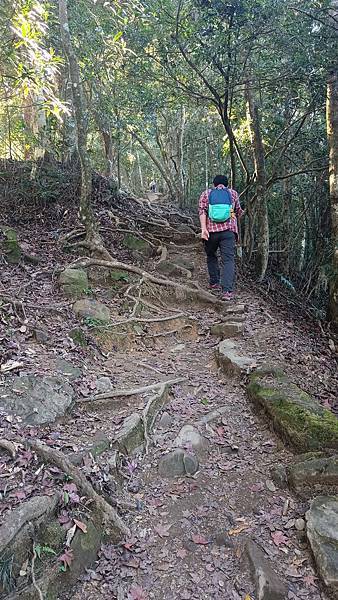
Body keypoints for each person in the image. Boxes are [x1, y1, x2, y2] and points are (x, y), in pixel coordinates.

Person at [198, 174, 244, 300]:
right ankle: (227, 291)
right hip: (228, 232)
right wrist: (232, 215)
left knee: (211, 255)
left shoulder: (206, 194)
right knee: (228, 260)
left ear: (214, 184)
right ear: (226, 184)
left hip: (211, 232)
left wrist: (203, 229)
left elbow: (202, 211)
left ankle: (214, 282)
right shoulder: (233, 194)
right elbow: (237, 212)